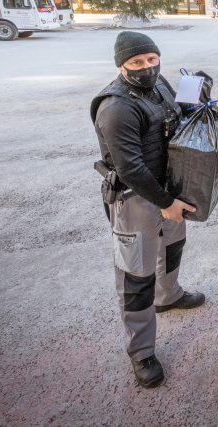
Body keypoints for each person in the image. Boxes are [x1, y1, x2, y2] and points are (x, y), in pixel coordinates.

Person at [90, 31, 205, 389]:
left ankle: (168, 296)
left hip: (169, 187)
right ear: (122, 65)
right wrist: (167, 204)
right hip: (136, 198)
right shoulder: (116, 107)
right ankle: (141, 353)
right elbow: (131, 169)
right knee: (135, 276)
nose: (147, 67)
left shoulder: (160, 86)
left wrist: (196, 98)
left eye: (151, 60)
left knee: (172, 245)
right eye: (137, 63)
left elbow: (175, 119)